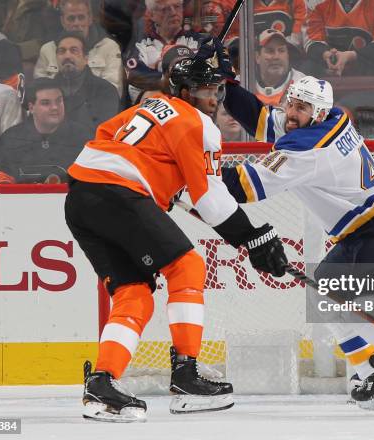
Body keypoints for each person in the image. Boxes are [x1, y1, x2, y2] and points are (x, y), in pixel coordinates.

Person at [196, 39, 374, 413]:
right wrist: (226, 83)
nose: (291, 113)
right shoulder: (330, 118)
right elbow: (263, 119)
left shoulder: (309, 149)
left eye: (301, 108)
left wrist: (189, 170)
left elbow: (244, 187)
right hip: (366, 229)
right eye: (291, 103)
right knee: (325, 293)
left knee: (367, 310)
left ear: (317, 112)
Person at [65, 56, 289, 421]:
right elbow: (212, 201)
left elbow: (105, 135)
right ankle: (187, 374)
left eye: (217, 90)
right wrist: (254, 237)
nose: (214, 99)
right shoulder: (197, 123)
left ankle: (102, 383)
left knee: (134, 291)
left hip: (80, 197)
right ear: (185, 92)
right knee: (187, 266)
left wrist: (162, 187)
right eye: (205, 91)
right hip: (120, 194)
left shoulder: (147, 106)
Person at [0, 78, 92, 183]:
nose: (55, 107)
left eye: (59, 101)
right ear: (31, 108)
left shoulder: (83, 137)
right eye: (46, 103)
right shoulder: (11, 139)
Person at [34, 0, 124, 96]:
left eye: (81, 17)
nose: (76, 23)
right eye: (71, 18)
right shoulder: (47, 50)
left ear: (90, 19)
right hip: (58, 108)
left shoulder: (109, 47)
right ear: (63, 21)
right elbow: (39, 92)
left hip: (97, 108)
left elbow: (112, 92)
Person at [123, 0, 203, 101]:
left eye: (177, 6)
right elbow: (135, 77)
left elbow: (204, 76)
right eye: (165, 9)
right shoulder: (140, 45)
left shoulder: (199, 42)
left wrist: (157, 71)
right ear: (152, 15)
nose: (173, 12)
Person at [304, 0, 374, 77]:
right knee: (307, 68)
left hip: (370, 62)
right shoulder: (314, 1)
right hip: (330, 60)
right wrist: (326, 54)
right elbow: (312, 40)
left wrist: (350, 56)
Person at [53, 32, 120, 132]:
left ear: (86, 58)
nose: (67, 56)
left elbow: (104, 132)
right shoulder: (47, 91)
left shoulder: (105, 90)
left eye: (74, 50)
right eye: (61, 51)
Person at [254, 29, 305, 107]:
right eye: (270, 51)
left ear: (288, 55)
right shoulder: (242, 82)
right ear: (257, 57)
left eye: (281, 50)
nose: (276, 57)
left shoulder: (303, 84)